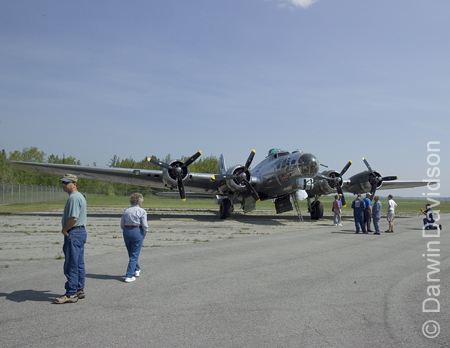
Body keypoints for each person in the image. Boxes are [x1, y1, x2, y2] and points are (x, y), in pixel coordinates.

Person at [53, 174, 87, 304]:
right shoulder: (80, 197)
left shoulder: (73, 197)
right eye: (62, 182)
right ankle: (79, 289)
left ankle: (71, 293)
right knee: (78, 263)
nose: (63, 185)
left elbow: (73, 218)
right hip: (80, 232)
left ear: (74, 184)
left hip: (74, 232)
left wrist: (64, 230)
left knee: (71, 264)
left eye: (66, 182)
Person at [121, 193, 148, 283]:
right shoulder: (142, 211)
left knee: (131, 252)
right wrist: (144, 233)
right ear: (139, 201)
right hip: (137, 231)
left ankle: (137, 269)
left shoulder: (126, 211)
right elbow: (144, 225)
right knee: (134, 254)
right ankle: (129, 275)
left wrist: (125, 230)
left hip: (126, 231)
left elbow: (122, 224)